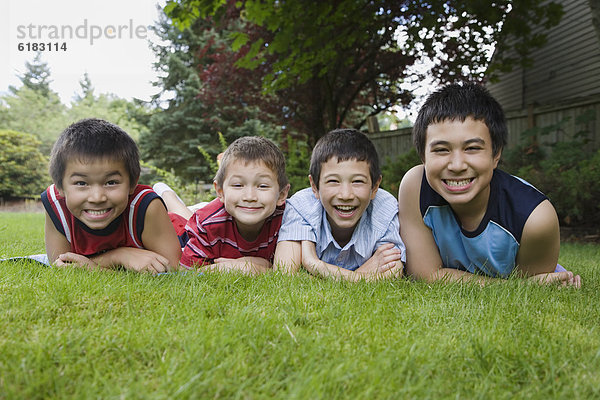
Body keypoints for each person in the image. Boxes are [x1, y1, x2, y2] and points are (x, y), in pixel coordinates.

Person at [398, 83, 581, 287]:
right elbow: (424, 275)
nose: (457, 165)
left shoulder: (535, 218)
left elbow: (532, 296)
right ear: (423, 157)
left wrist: (525, 287)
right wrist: (515, 286)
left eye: (472, 148)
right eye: (441, 150)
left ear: (496, 154)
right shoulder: (415, 185)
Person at [42, 118, 182, 274]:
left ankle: (167, 195)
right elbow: (62, 266)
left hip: (177, 228)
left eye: (111, 182)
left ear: (132, 183)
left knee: (188, 217)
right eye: (81, 183)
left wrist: (91, 265)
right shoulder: (56, 205)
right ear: (60, 186)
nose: (97, 198)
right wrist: (119, 256)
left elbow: (172, 266)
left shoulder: (146, 206)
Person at [274, 129, 405, 281]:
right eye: (333, 181)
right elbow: (284, 274)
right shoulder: (302, 206)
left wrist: (315, 264)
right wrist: (363, 277)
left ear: (375, 187)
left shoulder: (384, 207)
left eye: (357, 181)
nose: (345, 195)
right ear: (315, 187)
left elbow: (393, 273)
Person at [162, 136, 290, 274]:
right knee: (182, 218)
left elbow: (290, 272)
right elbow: (185, 272)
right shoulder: (206, 224)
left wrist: (261, 267)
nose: (250, 197)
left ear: (282, 194)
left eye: (263, 186)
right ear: (220, 191)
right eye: (238, 185)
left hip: (223, 211)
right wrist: (231, 267)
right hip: (195, 224)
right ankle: (165, 193)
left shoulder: (288, 220)